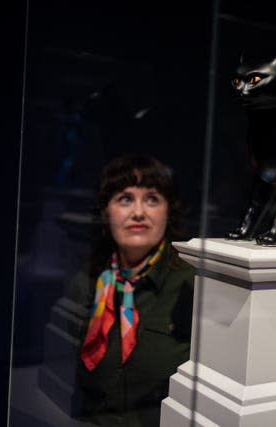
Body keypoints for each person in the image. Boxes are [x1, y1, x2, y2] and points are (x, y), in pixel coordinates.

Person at [74, 153, 195, 426]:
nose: (138, 212)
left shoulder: (191, 285)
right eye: (125, 198)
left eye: (152, 198)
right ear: (106, 211)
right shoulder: (91, 281)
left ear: (168, 210)